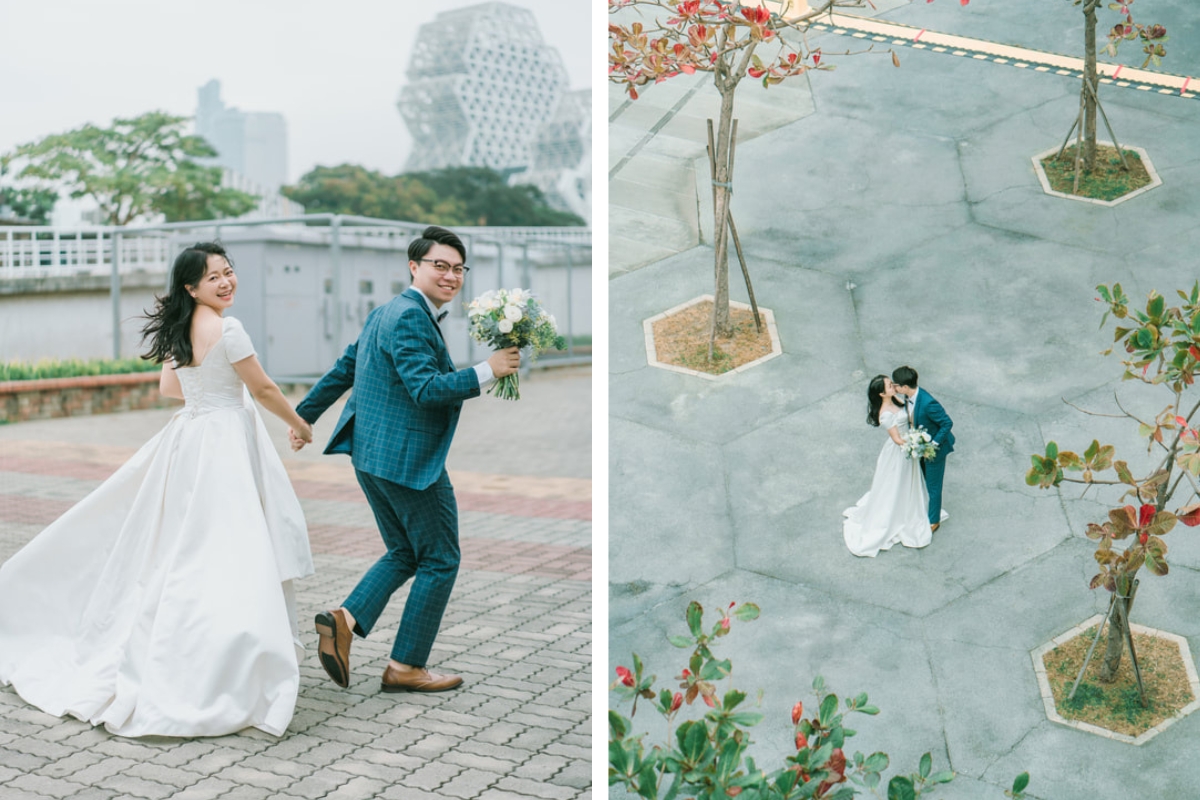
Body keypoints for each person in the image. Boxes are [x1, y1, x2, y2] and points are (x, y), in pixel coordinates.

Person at [0, 242, 315, 737]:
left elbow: (171, 389)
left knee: (181, 544)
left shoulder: (182, 328)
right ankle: (226, 658)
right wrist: (300, 425)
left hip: (191, 438)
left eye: (229, 272)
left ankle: (202, 645)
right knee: (227, 544)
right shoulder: (228, 328)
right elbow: (264, 390)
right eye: (214, 277)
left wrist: (206, 385)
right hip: (225, 439)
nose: (226, 282)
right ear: (191, 286)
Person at [292, 225, 519, 694]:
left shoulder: (386, 311)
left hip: (371, 456)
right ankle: (405, 665)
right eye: (440, 265)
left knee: (405, 552)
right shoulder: (412, 317)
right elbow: (426, 390)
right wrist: (487, 371)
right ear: (414, 266)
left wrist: (303, 416)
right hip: (407, 462)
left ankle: (344, 619)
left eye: (458, 268)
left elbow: (345, 366)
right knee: (440, 557)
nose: (451, 275)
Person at [842, 375, 935, 557]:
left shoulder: (896, 400)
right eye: (889, 385)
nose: (893, 386)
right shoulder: (885, 414)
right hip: (900, 451)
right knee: (895, 483)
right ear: (882, 393)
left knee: (910, 480)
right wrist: (917, 444)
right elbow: (897, 439)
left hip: (908, 444)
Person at [891, 365, 954, 532]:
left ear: (904, 387)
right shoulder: (908, 397)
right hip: (919, 446)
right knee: (923, 480)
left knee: (933, 486)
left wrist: (932, 445)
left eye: (895, 384)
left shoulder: (928, 403)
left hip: (935, 451)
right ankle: (923, 508)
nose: (894, 387)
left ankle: (934, 521)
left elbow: (947, 423)